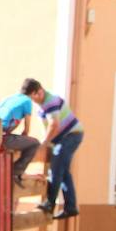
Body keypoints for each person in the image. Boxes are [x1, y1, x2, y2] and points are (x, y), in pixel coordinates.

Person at [24, 78, 83, 219]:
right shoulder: (45, 103)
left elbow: (54, 125)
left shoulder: (50, 102)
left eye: (33, 97)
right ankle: (70, 206)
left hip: (69, 136)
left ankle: (50, 203)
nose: (34, 101)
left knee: (55, 169)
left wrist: (44, 143)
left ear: (39, 91)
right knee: (63, 171)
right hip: (69, 136)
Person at [0, 88, 40, 189]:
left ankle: (12, 172)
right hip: (3, 137)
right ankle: (15, 172)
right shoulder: (27, 101)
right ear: (32, 93)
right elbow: (26, 129)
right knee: (35, 143)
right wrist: (23, 139)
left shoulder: (10, 97)